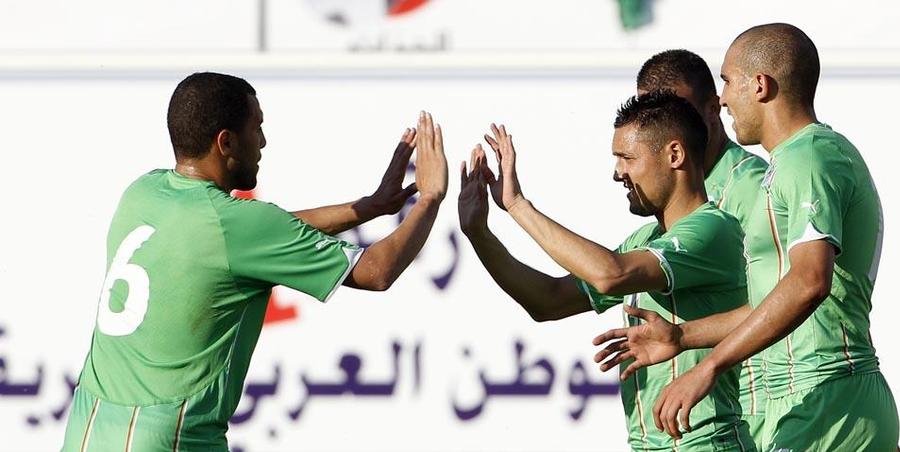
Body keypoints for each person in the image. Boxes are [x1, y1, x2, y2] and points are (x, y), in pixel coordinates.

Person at [61, 72, 448, 451]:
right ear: (226, 142)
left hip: (86, 430)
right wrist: (429, 198)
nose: (262, 141)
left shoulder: (143, 192)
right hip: (169, 439)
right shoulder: (235, 227)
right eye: (256, 127)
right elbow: (377, 271)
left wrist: (368, 207)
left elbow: (260, 236)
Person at [594, 24, 900, 450]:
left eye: (727, 81)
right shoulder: (790, 162)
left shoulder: (810, 157)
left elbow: (810, 282)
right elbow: (772, 301)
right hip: (809, 400)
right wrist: (683, 337)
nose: (721, 99)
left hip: (827, 393)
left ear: (760, 85)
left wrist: (710, 366)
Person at [458, 91, 755, 450]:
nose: (617, 173)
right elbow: (549, 301)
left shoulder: (712, 229)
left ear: (674, 155)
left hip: (707, 443)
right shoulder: (645, 240)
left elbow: (609, 275)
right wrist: (479, 234)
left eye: (627, 158)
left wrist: (518, 205)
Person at [633, 48, 770, 443]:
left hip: (757, 411)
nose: (662, 123)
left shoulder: (752, 187)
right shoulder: (667, 197)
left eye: (677, 109)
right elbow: (568, 291)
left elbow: (793, 294)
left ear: (713, 108)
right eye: (649, 113)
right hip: (688, 419)